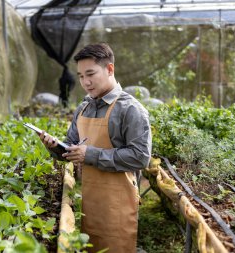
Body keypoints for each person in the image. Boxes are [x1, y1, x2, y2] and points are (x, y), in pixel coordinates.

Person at [40, 42, 152, 253]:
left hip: (118, 202)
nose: (85, 82)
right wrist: (55, 147)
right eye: (81, 76)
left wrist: (89, 154)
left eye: (90, 74)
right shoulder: (84, 107)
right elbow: (71, 149)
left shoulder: (131, 110)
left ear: (109, 69)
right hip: (89, 201)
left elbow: (140, 157)